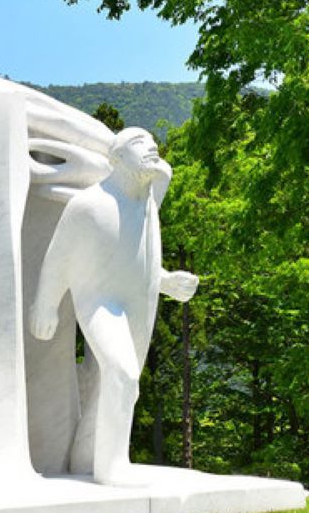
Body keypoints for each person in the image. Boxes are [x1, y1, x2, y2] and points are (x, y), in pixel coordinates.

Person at [29, 127, 198, 484]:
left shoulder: (148, 202)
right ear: (116, 158)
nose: (151, 149)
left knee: (123, 385)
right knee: (122, 373)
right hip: (100, 301)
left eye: (154, 143)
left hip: (139, 299)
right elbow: (59, 258)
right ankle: (111, 467)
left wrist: (166, 281)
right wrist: (46, 304)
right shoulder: (89, 205)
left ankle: (86, 457)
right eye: (140, 144)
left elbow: (133, 254)